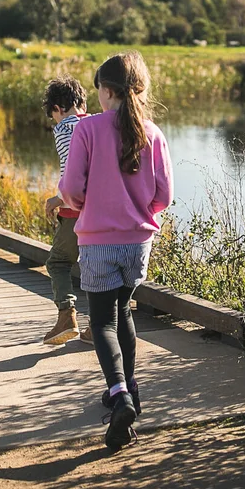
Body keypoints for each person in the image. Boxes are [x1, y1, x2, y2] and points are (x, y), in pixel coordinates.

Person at [58, 51, 173, 450]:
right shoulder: (153, 133)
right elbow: (164, 196)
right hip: (138, 242)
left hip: (98, 241)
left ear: (107, 91)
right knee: (124, 311)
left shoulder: (87, 129)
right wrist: (136, 212)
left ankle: (119, 394)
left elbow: (71, 189)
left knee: (103, 321)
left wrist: (87, 205)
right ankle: (131, 391)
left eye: (99, 91)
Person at [41, 77, 91, 345]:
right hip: (101, 210)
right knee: (94, 266)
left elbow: (74, 171)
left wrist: (59, 199)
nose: (55, 121)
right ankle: (98, 326)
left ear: (58, 109)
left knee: (58, 262)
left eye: (53, 116)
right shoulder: (97, 124)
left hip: (74, 210)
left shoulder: (64, 128)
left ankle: (66, 316)